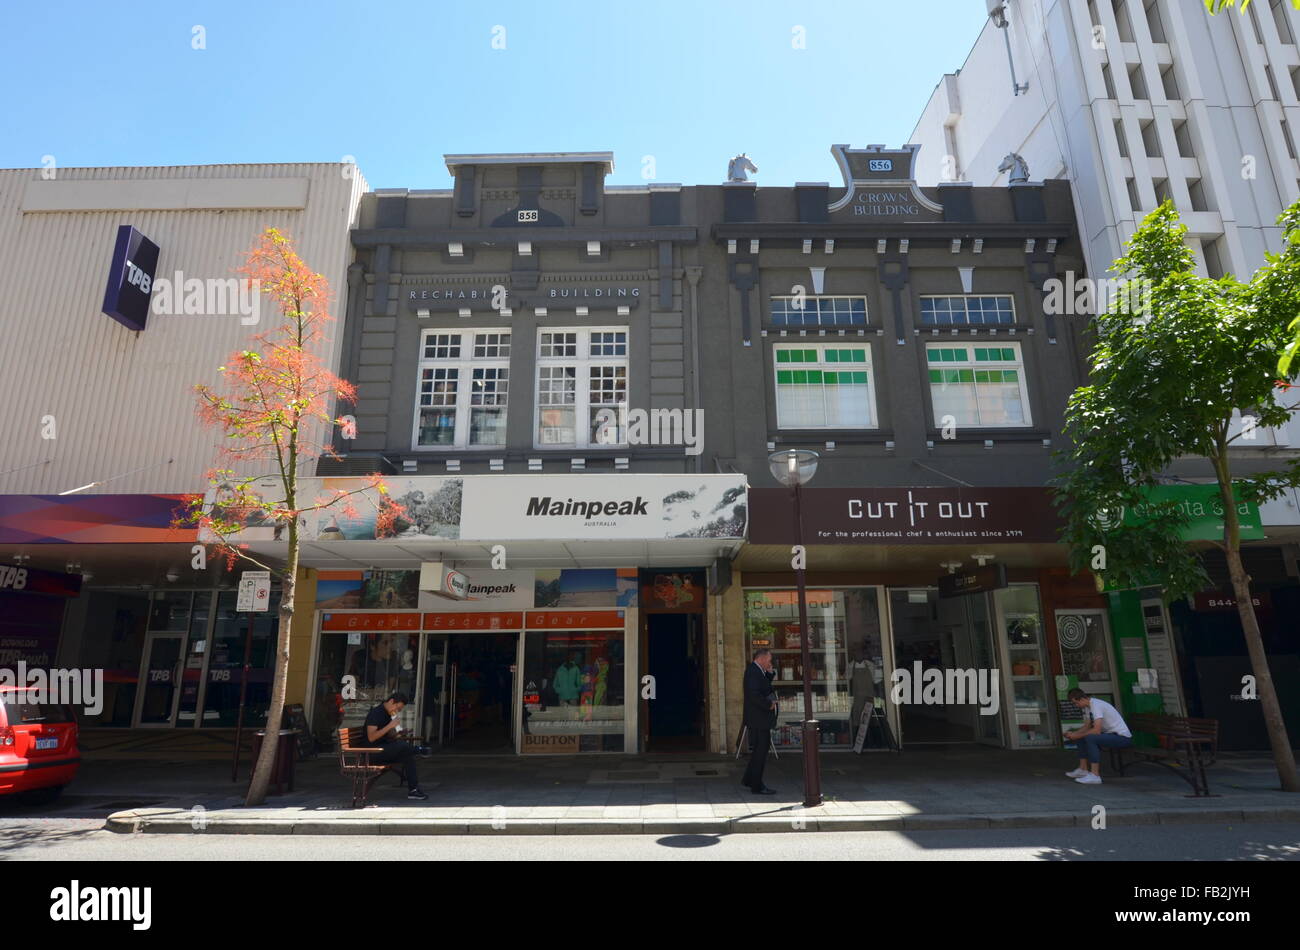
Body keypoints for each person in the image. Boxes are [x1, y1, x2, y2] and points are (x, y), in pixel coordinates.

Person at [363, 692, 429, 801]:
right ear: (391, 702)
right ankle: (418, 750)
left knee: (407, 754)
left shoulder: (388, 714)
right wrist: (390, 725)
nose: (397, 711)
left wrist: (398, 733)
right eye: (398, 708)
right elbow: (372, 737)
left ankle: (413, 790)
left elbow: (389, 735)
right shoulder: (375, 713)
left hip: (383, 749)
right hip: (372, 752)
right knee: (402, 746)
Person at [1063, 687, 1132, 785]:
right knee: (1082, 737)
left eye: (1076, 703)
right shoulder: (1088, 707)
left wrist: (1077, 736)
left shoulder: (1096, 705)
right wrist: (1074, 734)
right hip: (1109, 735)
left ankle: (1095, 775)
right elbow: (1087, 726)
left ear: (1082, 699)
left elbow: (1096, 730)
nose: (1076, 706)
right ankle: (1083, 769)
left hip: (1121, 737)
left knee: (1091, 738)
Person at [741, 648, 778, 795]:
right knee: (760, 752)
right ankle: (757, 785)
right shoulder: (752, 672)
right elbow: (754, 695)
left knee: (759, 750)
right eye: (769, 660)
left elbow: (764, 685)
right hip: (758, 719)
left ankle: (749, 779)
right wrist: (768, 704)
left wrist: (769, 672)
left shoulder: (758, 671)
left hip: (759, 719)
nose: (770, 663)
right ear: (761, 658)